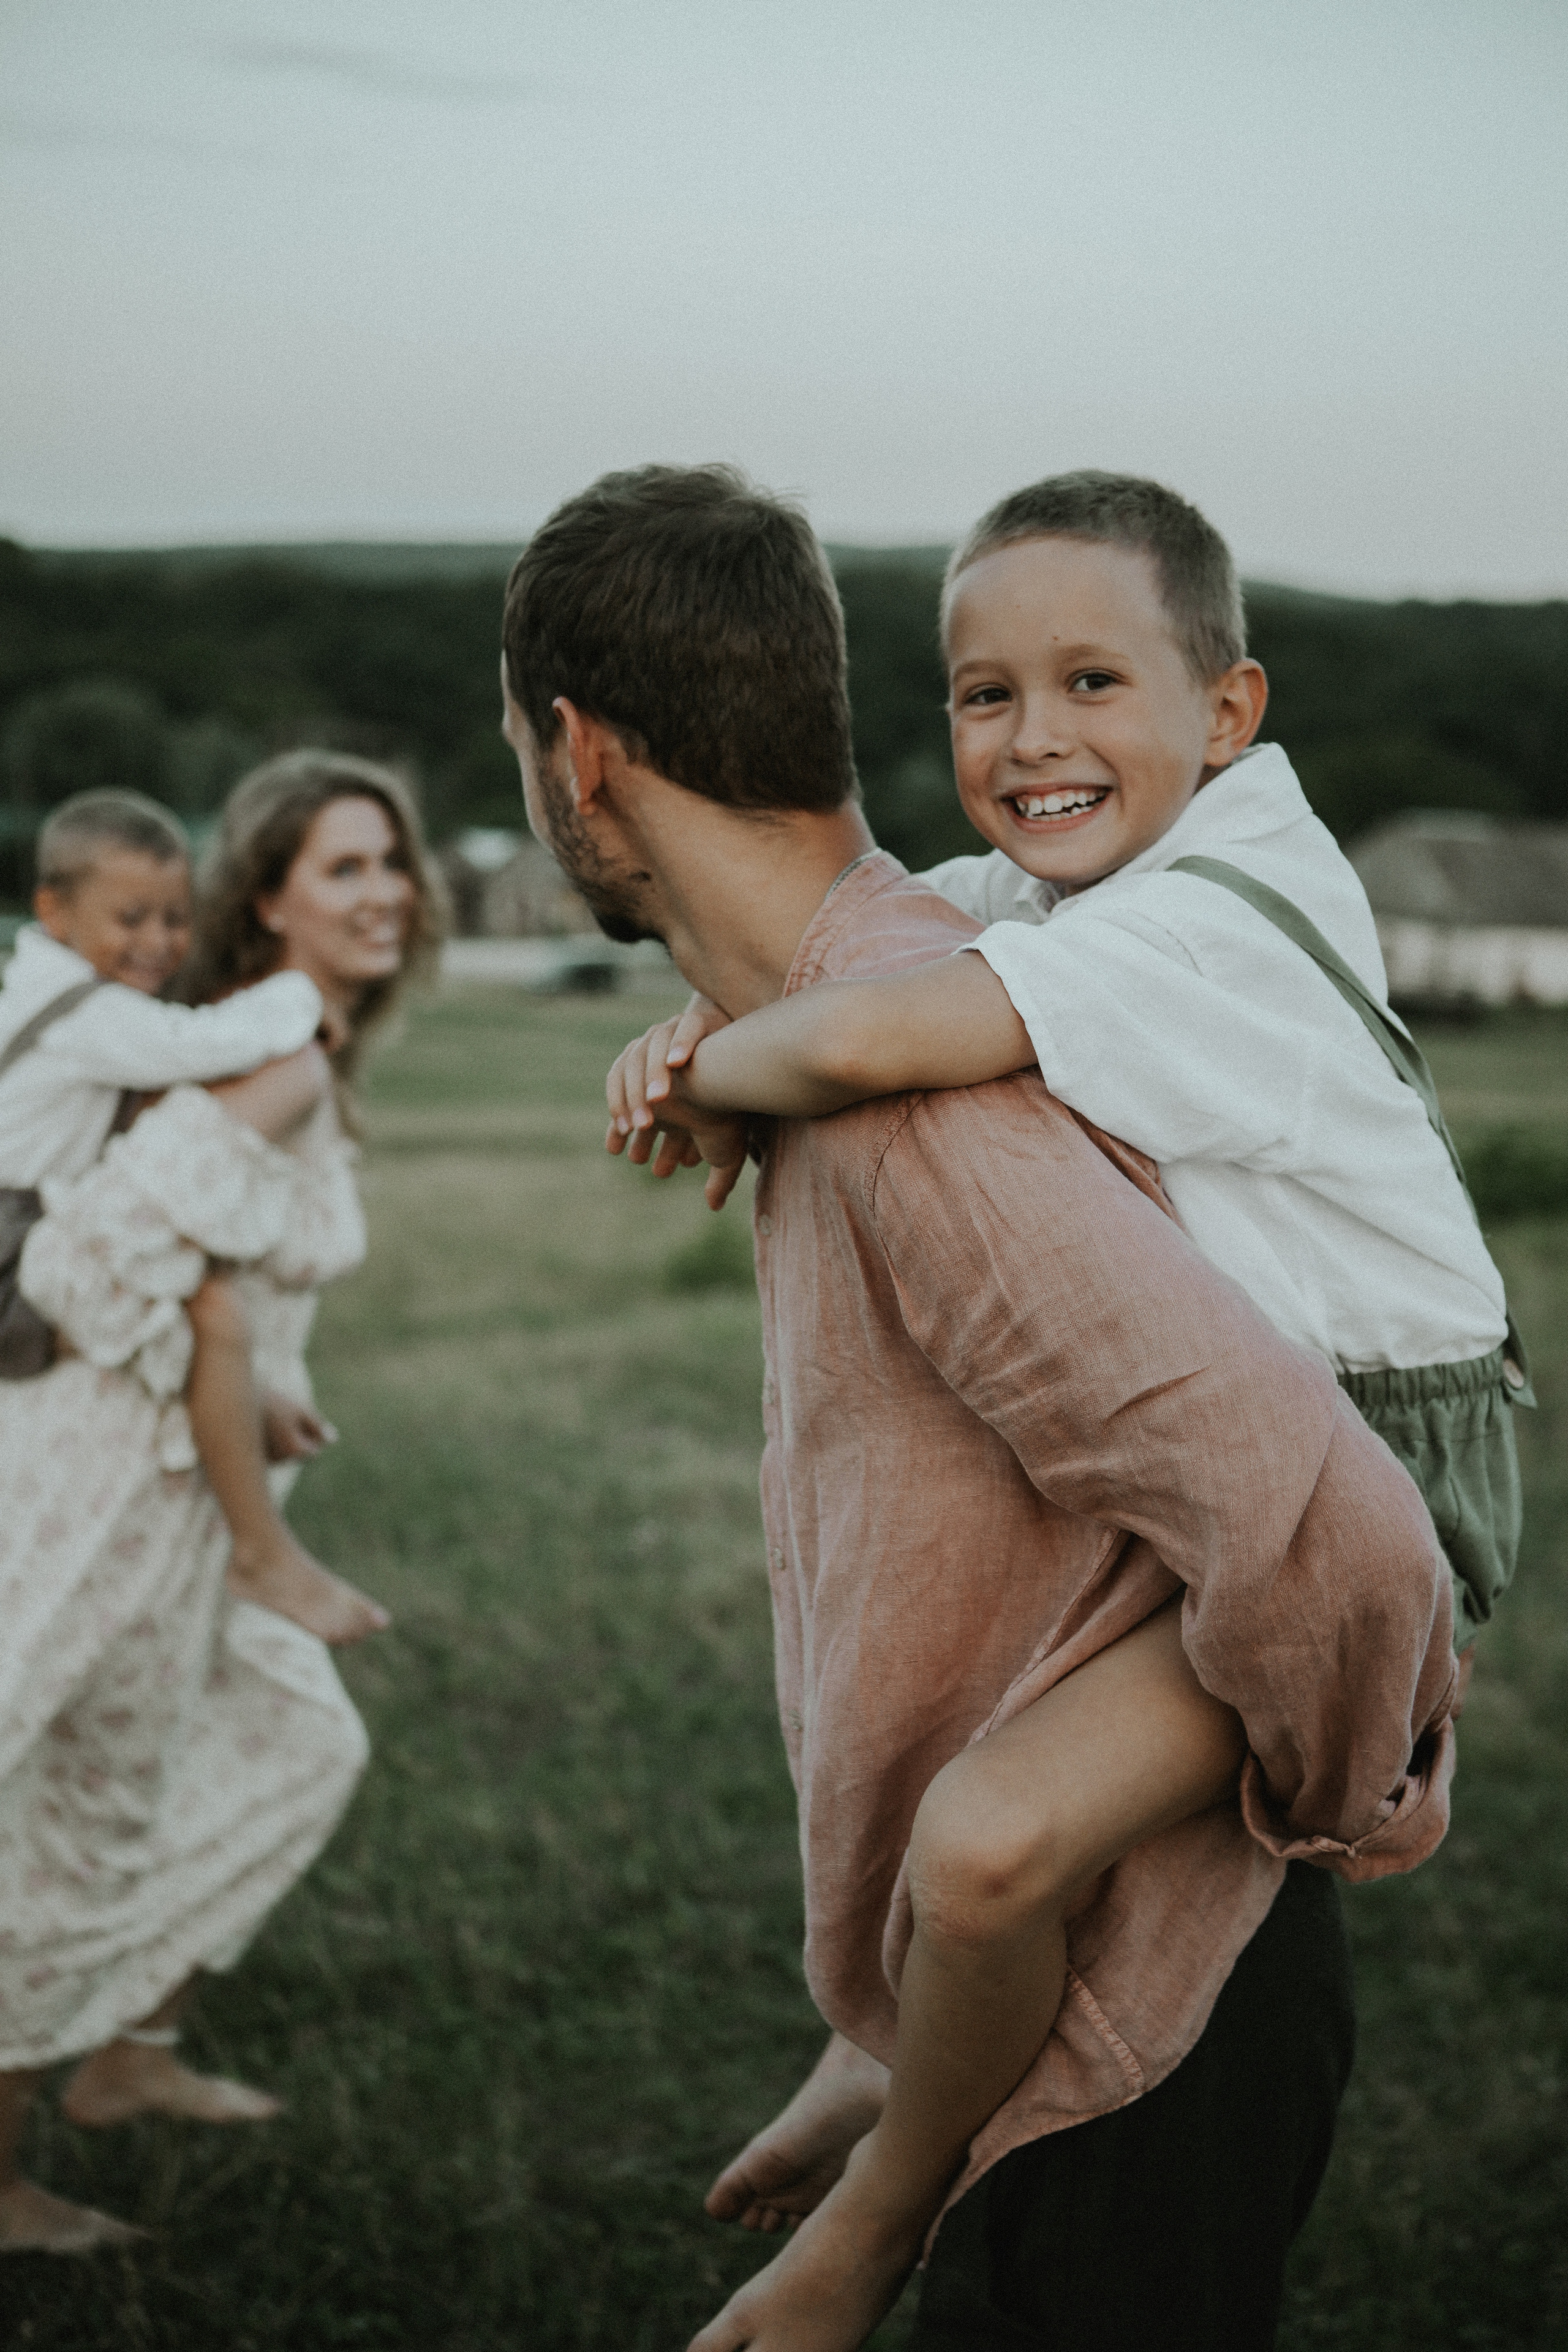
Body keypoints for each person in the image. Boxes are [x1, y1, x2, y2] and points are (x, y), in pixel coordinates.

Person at [502, 465, 1460, 2352]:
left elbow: (1351, 1542)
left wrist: (1351, 1797)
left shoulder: (923, 1097)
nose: (1038, 735)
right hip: (1025, 1988)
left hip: (1134, 2033)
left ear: (578, 753)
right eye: (991, 695)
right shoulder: (924, 979)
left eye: (1094, 685)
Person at [0, 751, 442, 2256]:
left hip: (200, 1483)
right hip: (116, 1483)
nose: (385, 892)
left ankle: (128, 2051)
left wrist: (257, 1390)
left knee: (297, 1743)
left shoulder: (290, 1050)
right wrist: (225, 1391)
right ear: (265, 898)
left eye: (391, 860)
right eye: (343, 868)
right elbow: (90, 1260)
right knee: (65, 1806)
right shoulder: (274, 1059)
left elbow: (208, 1275)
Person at [0, 786, 388, 1644]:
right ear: (54, 912)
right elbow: (200, 1044)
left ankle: (248, 1472)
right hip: (10, 1240)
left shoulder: (51, 992)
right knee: (211, 1314)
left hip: (27, 1223)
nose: (158, 941)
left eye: (176, 918)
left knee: (199, 1308)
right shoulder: (88, 1015)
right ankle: (262, 1550)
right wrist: (295, 999)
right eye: (131, 918)